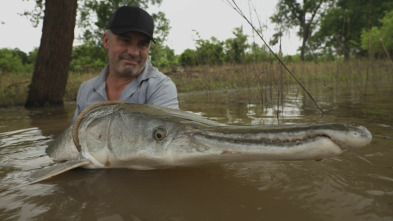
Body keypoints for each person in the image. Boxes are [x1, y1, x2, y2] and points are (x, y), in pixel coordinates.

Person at [73, 6, 179, 121]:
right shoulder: (86, 90)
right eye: (125, 40)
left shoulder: (161, 87)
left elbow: (168, 136)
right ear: (106, 41)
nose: (133, 52)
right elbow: (74, 136)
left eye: (142, 44)